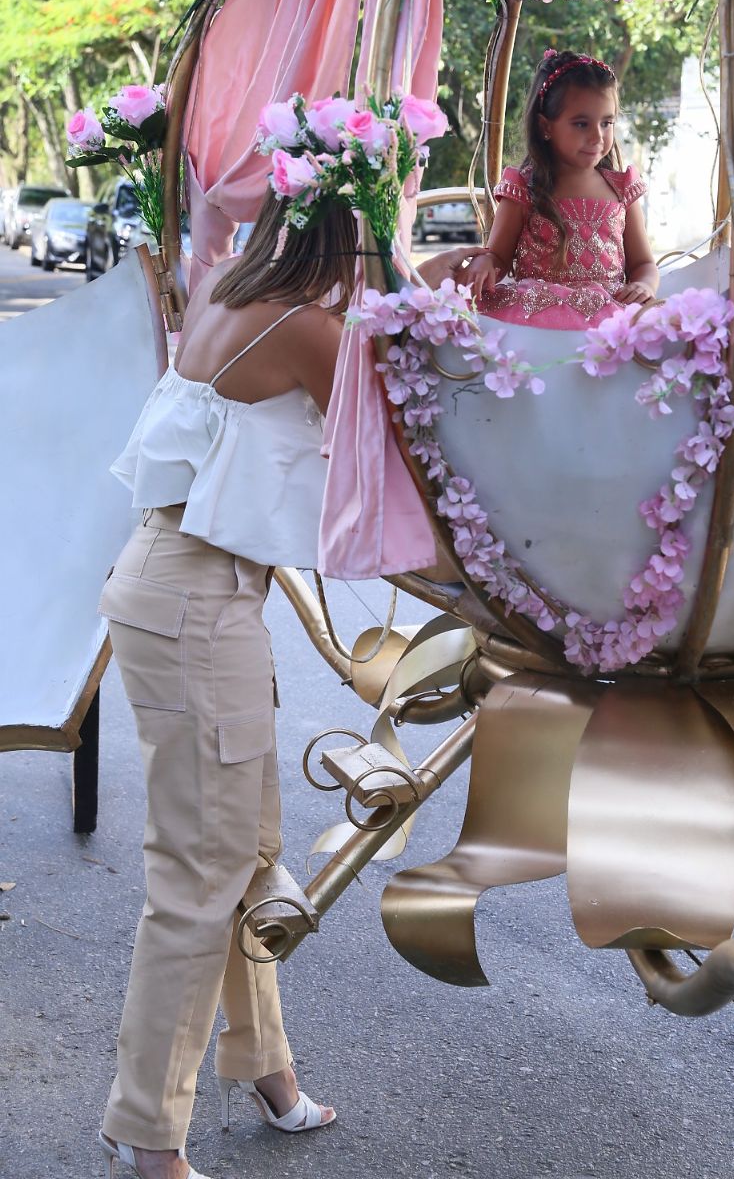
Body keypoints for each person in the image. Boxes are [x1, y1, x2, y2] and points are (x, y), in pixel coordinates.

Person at [97, 187, 475, 1179]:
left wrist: (420, 282)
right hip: (195, 602)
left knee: (248, 847)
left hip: (177, 587)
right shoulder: (308, 326)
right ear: (342, 235)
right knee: (200, 874)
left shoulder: (230, 282)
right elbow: (391, 441)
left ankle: (264, 1065)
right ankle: (146, 1130)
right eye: (371, 232)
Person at [463, 49, 659, 329]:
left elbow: (644, 264)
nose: (597, 136)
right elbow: (498, 257)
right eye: (581, 124)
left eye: (607, 123)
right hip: (537, 320)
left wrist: (644, 285)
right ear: (545, 126)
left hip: (607, 323)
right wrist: (485, 263)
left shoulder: (621, 190)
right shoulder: (524, 189)